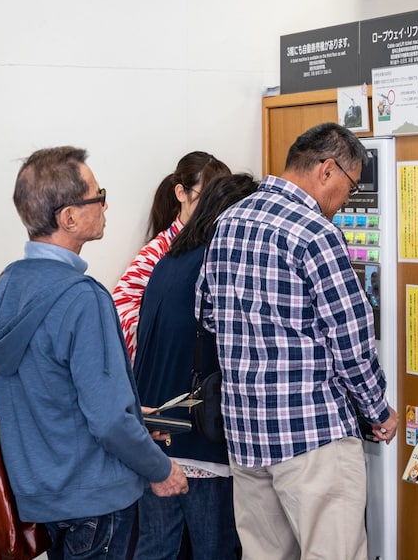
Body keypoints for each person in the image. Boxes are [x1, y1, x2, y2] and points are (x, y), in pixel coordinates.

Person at [196, 122, 400, 560]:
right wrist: (378, 409)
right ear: (327, 170)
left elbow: (207, 314)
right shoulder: (315, 234)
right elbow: (351, 339)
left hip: (247, 436)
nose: (345, 203)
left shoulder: (230, 220)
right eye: (351, 187)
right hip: (313, 439)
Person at [0, 146, 189, 559]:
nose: (105, 204)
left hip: (41, 498)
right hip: (97, 501)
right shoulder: (82, 298)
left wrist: (136, 416)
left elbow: (50, 395)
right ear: (68, 217)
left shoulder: (6, 286)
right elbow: (108, 422)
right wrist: (161, 469)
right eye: (97, 196)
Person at [133, 173, 259, 560]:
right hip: (198, 439)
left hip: (154, 435)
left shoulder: (168, 258)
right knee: (215, 550)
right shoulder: (216, 264)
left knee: (156, 550)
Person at [112, 151, 231, 364]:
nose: (214, 209)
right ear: (180, 193)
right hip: (164, 366)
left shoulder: (222, 246)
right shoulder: (155, 254)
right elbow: (117, 320)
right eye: (206, 198)